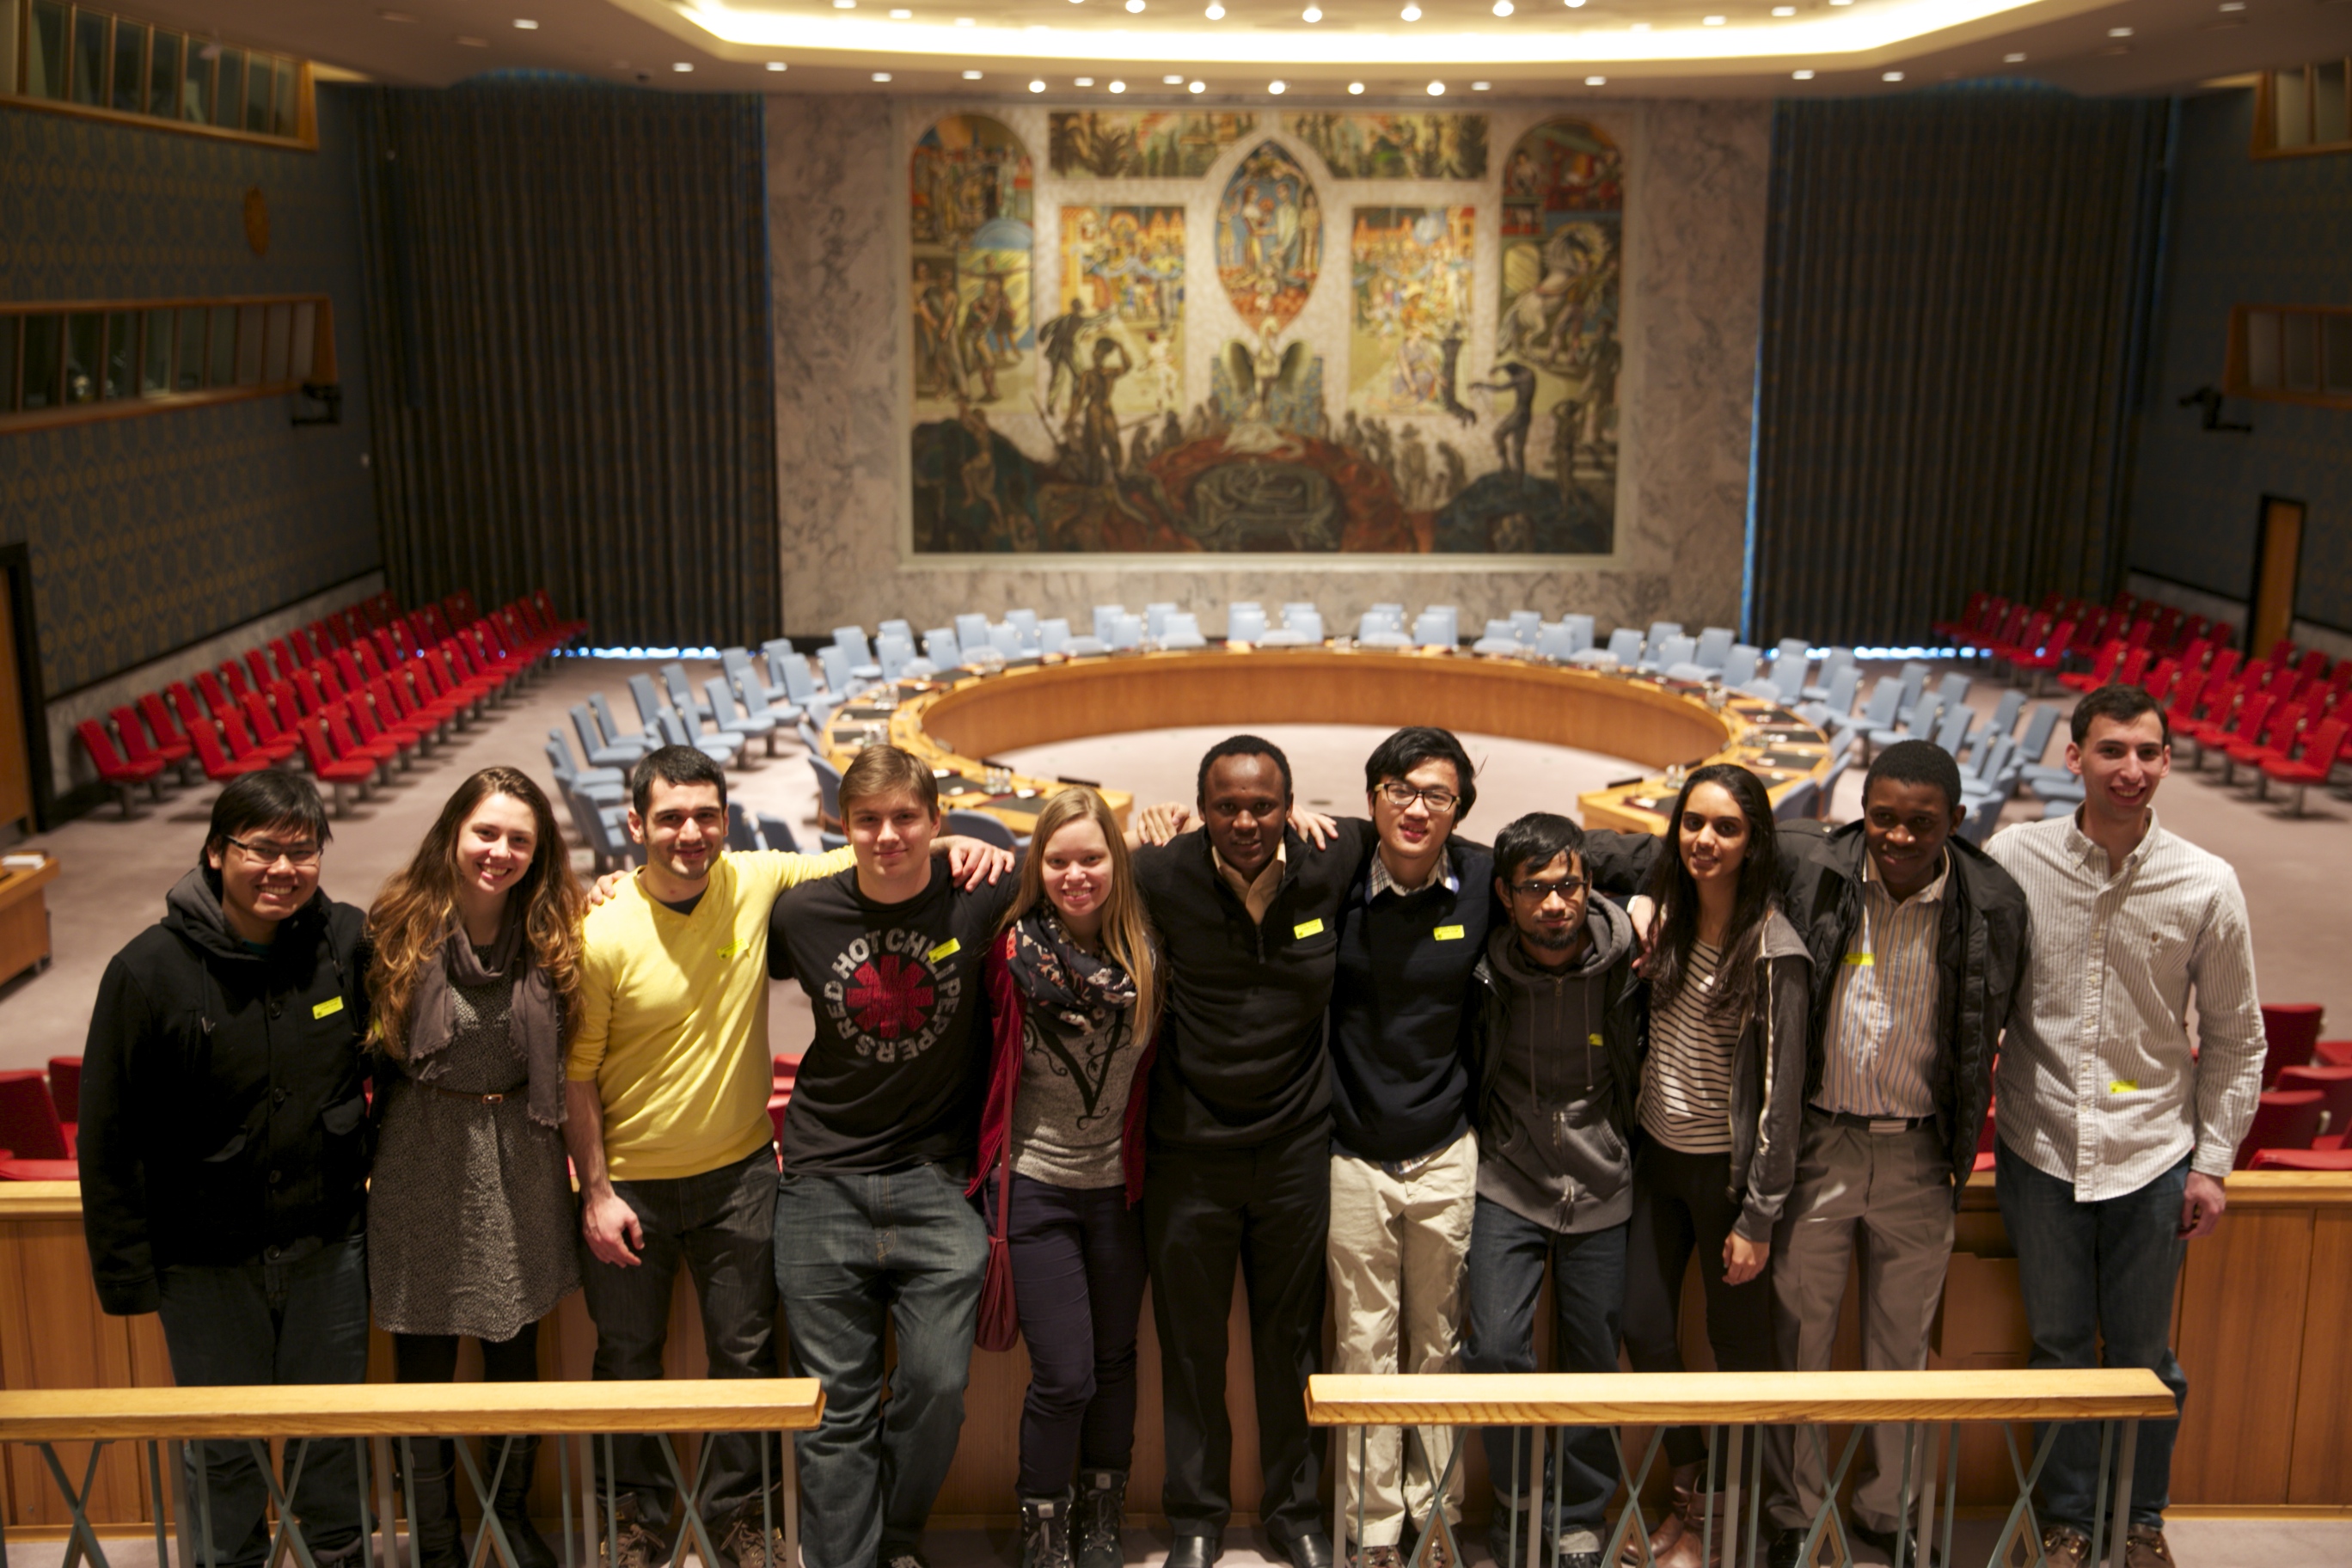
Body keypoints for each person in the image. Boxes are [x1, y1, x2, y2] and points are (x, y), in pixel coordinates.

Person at [1984, 683, 2263, 1568]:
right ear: (2074, 758)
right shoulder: (2013, 859)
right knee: (2061, 1350)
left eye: (2148, 752)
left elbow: (2235, 1038)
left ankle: (2140, 1521)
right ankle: (2068, 1521)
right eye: (2111, 751)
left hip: (2153, 1158)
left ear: (2168, 761)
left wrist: (2212, 1163)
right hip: (2041, 1148)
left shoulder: (2207, 882)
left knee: (2146, 1356)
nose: (2131, 769)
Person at [567, 746, 860, 1568]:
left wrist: (957, 844)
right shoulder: (602, 928)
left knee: (745, 1353)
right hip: (631, 1186)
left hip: (739, 1175)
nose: (690, 833)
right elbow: (576, 1076)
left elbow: (866, 850)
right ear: (636, 825)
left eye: (705, 816)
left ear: (725, 820)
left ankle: (738, 1517)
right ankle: (633, 1518)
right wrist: (595, 1192)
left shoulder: (754, 877)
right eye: (669, 818)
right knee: (626, 1360)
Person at [79, 772, 373, 1568]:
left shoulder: (345, 943)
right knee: (223, 1453)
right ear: (216, 853)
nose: (283, 869)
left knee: (333, 1447)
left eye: (302, 851)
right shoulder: (147, 971)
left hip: (328, 1253)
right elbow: (107, 1135)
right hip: (205, 1267)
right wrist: (127, 1275)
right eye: (262, 850)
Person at [1749, 741, 2029, 1568]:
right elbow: (1696, 854)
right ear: (1859, 811)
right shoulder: (1811, 867)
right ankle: (1796, 1513)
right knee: (1801, 1338)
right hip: (1821, 1145)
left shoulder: (1994, 903)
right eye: (1883, 818)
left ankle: (1885, 1509)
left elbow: (1993, 1018)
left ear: (1957, 822)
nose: (1899, 837)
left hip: (1919, 1155)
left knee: (1900, 1347)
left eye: (1922, 822)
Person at [767, 744, 1026, 1568]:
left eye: (907, 819)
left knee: (939, 1389)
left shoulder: (978, 897)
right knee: (836, 1406)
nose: (888, 836)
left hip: (937, 1181)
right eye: (868, 821)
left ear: (936, 822)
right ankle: (853, 1560)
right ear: (840, 828)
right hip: (820, 1179)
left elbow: (1081, 863)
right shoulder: (802, 916)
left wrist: (984, 853)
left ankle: (893, 1536)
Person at [1130, 735, 1369, 1568]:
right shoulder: (1160, 872)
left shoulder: (1330, 863)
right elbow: (1058, 869)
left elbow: (1437, 842)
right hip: (1189, 1152)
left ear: (1291, 806)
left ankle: (1294, 1512)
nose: (1245, 820)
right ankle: (1196, 1514)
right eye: (1226, 805)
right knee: (1192, 1344)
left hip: (1296, 1149)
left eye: (1263, 804)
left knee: (1291, 1339)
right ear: (1200, 810)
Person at [364, 768, 588, 1568]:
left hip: (522, 1158)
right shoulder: (394, 926)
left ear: (539, 849)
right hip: (423, 1158)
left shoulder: (558, 928)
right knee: (422, 1360)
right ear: (454, 832)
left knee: (515, 1358)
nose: (499, 851)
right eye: (486, 833)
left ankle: (508, 1517)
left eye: (518, 839)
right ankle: (433, 1539)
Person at [1614, 764, 1810, 1562]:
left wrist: (1759, 1216)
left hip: (1730, 1182)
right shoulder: (1664, 920)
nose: (1705, 840)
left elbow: (1781, 1099)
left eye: (1725, 828)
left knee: (1741, 1357)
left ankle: (1726, 1522)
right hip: (1657, 1165)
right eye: (1693, 823)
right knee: (1643, 1327)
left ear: (1754, 839)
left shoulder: (1775, 950)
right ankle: (1692, 1492)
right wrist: (1640, 900)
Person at [972, 787, 1162, 1568]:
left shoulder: (1149, 948)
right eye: (1058, 860)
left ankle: (1101, 1514)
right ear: (1035, 865)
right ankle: (1043, 1529)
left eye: (1091, 858)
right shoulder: (1008, 952)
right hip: (1036, 1184)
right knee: (1066, 1372)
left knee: (1118, 1360)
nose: (1076, 874)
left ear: (1116, 861)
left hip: (1121, 1188)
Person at [1324, 728, 1491, 1567]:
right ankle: (1374, 1529)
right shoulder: (1335, 873)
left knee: (1438, 1341)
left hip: (1443, 1148)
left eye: (1438, 795)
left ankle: (1438, 1520)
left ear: (1458, 808)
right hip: (1350, 1151)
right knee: (1363, 1342)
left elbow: (1597, 856)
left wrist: (1638, 892)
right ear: (1372, 798)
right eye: (1402, 790)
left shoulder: (1486, 877)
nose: (1417, 808)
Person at [1460, 812, 1641, 1568]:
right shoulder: (1483, 966)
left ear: (1589, 883)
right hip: (1509, 1179)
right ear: (1506, 895)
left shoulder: (1630, 959)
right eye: (1536, 889)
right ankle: (1517, 1501)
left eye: (1568, 884)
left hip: (1606, 1185)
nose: (1555, 904)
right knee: (1497, 1349)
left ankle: (1578, 1515)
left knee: (1592, 1358)